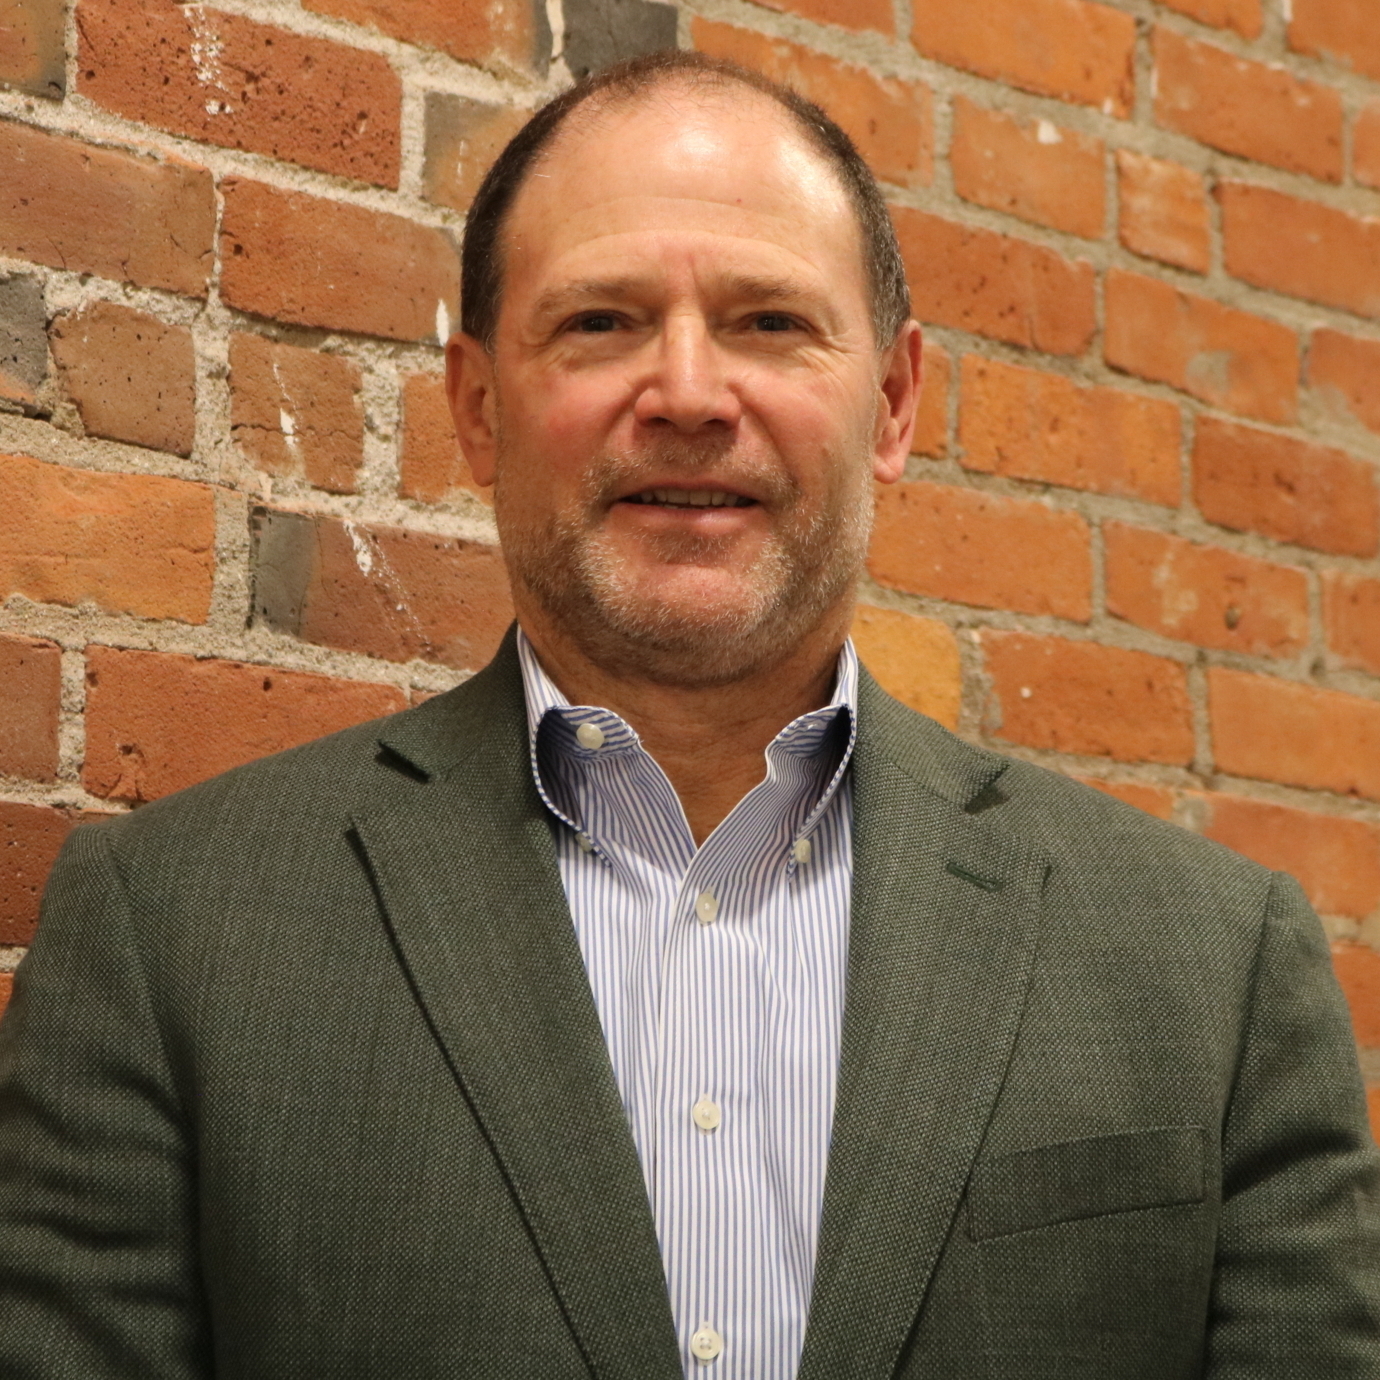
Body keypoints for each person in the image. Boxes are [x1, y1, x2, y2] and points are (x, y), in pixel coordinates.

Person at [0, 50, 1376, 1380]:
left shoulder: (1216, 969)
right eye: (599, 323)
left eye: (770, 322)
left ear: (894, 404)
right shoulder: (171, 935)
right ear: (478, 410)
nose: (691, 396)